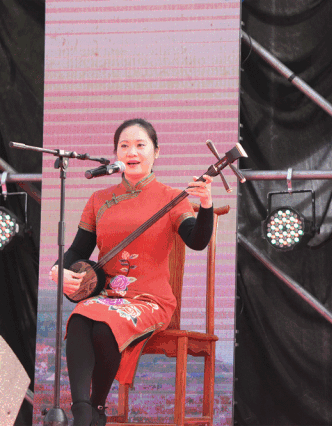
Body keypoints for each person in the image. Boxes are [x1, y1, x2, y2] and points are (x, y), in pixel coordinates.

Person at [49, 118, 216, 426]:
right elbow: (77, 250)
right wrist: (58, 269)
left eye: (140, 145)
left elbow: (196, 241)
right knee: (81, 315)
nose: (132, 152)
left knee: (105, 324)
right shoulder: (99, 199)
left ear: (156, 152)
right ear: (116, 153)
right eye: (124, 146)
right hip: (108, 295)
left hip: (151, 300)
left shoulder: (172, 197)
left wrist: (205, 204)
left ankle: (94, 408)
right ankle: (84, 410)